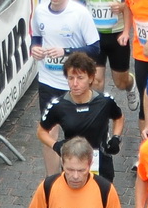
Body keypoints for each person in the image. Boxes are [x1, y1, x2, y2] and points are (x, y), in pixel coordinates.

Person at [30, 0, 103, 172]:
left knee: (80, 133)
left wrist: (66, 51)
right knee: (49, 133)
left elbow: (95, 49)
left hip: (75, 84)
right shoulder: (40, 11)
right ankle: (52, 181)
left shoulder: (80, 14)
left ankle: (87, 175)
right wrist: (34, 49)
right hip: (48, 80)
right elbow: (36, 36)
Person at [38, 53, 127, 184]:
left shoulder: (104, 102)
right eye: (70, 78)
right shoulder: (59, 105)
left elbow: (118, 117)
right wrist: (56, 145)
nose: (75, 83)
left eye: (80, 78)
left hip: (101, 163)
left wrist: (116, 137)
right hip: (73, 166)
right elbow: (41, 131)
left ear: (91, 78)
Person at [72, 0, 137, 105]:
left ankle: (131, 85)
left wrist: (123, 6)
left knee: (120, 82)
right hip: (93, 34)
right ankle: (99, 121)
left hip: (117, 35)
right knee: (96, 80)